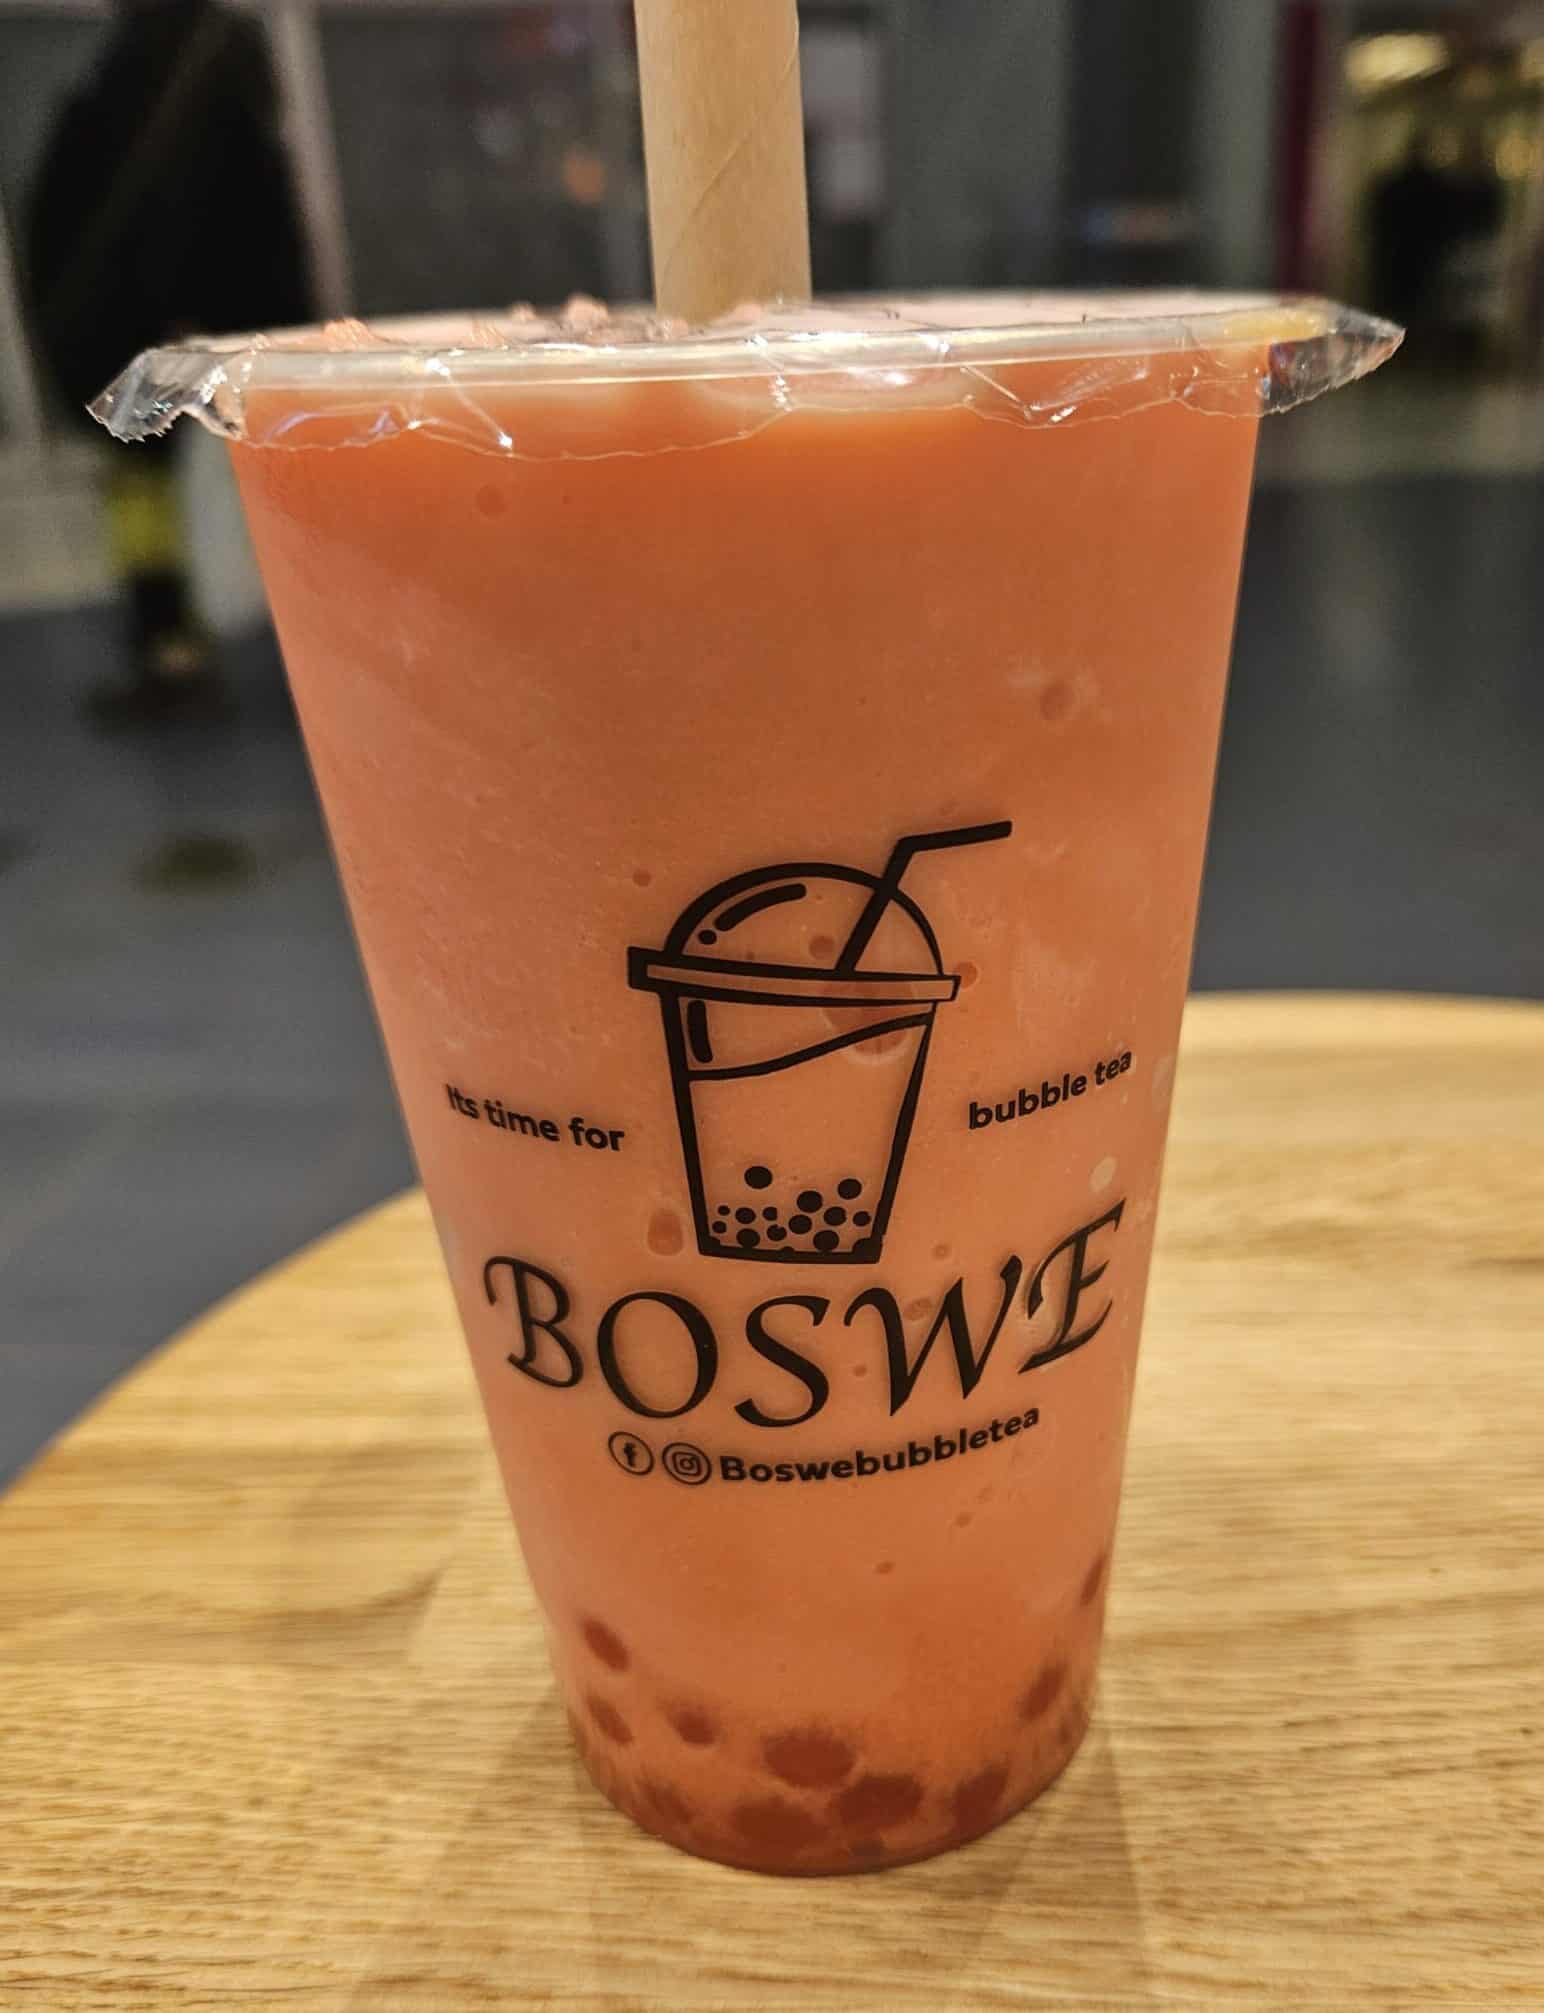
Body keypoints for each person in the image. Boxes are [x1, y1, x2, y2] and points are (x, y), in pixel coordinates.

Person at [26, 0, 314, 727]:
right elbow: (255, 230)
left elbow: (59, 225)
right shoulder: (220, 93)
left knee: (141, 486)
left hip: (127, 339)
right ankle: (280, 639)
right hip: (210, 334)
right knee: (259, 483)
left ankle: (170, 646)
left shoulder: (108, 101)